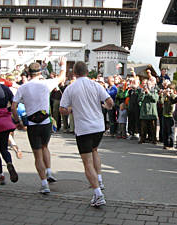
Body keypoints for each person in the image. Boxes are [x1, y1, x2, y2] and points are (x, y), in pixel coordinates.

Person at [59, 61, 114, 207]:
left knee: (87, 162)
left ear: (74, 73)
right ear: (87, 72)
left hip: (84, 128)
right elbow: (110, 101)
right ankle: (99, 179)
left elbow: (62, 109)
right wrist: (105, 106)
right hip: (98, 126)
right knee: (95, 150)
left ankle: (98, 194)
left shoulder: (70, 88)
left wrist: (70, 109)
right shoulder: (96, 85)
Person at [11, 57, 66, 194]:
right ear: (40, 72)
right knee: (45, 147)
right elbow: (61, 77)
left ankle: (44, 184)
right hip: (46, 122)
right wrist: (63, 65)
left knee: (37, 154)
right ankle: (49, 172)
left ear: (28, 73)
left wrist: (18, 122)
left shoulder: (23, 87)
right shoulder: (45, 84)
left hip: (32, 123)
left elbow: (13, 106)